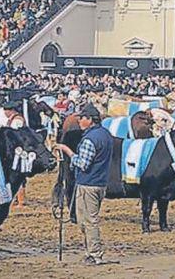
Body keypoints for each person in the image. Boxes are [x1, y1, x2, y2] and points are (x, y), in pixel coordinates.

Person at [55, 103, 114, 265]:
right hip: (100, 182)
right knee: (87, 219)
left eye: (82, 118)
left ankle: (94, 254)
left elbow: (83, 164)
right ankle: (91, 251)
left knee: (88, 220)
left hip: (88, 183)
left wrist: (68, 151)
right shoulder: (105, 134)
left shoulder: (89, 139)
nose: (79, 121)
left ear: (90, 120)